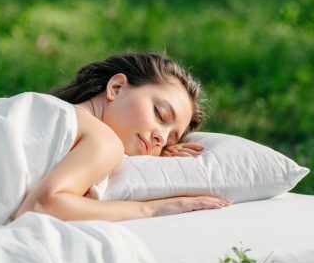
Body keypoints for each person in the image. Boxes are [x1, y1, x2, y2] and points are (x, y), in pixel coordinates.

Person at [12, 52, 232, 222]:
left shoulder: (48, 111)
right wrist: (154, 208)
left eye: (171, 140)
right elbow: (41, 207)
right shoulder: (105, 141)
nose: (162, 139)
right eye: (159, 113)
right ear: (116, 88)